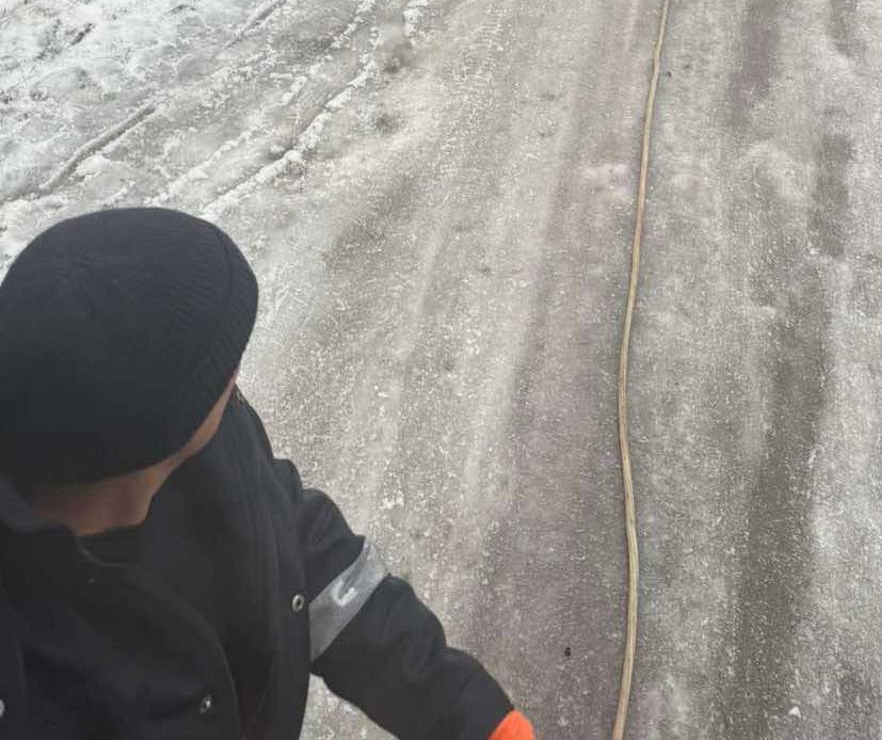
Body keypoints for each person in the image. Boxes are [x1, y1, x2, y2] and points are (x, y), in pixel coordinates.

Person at [0, 207, 533, 740]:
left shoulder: (213, 447)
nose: (234, 375)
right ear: (160, 429)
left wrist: (460, 709)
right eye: (220, 366)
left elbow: (299, 552)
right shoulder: (26, 677)